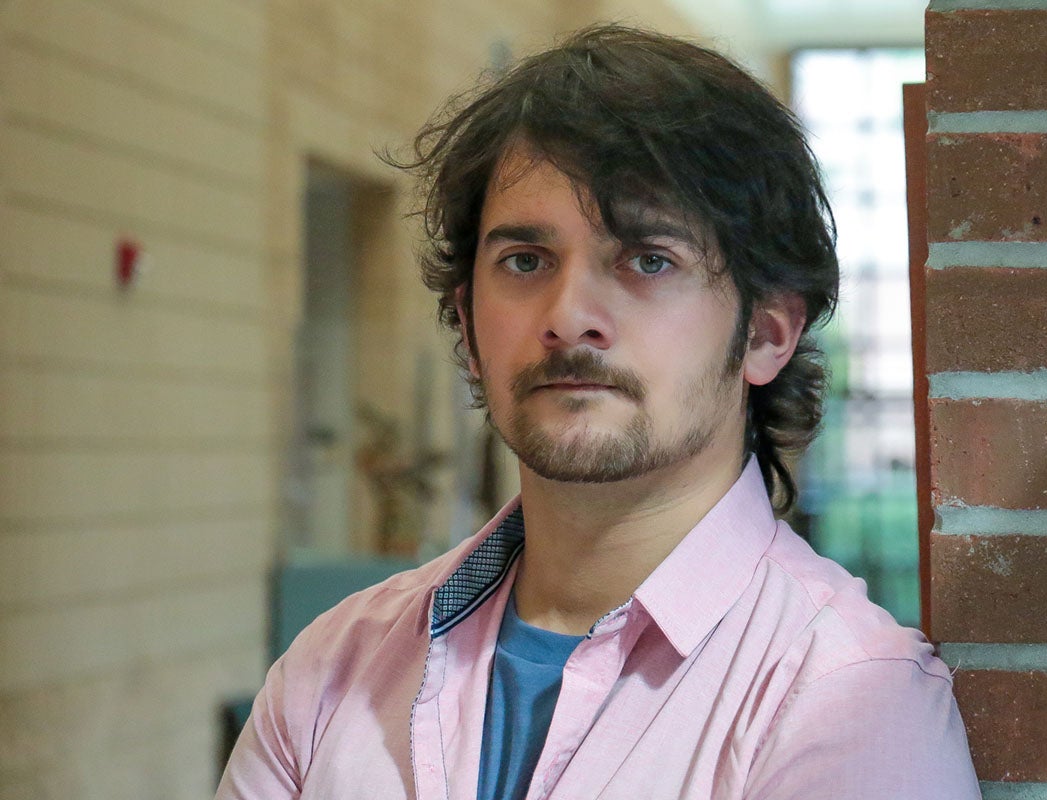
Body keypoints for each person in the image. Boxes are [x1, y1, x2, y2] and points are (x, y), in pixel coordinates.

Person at [217, 25, 980, 800]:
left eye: (649, 260)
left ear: (765, 334)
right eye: (525, 261)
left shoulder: (843, 698)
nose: (569, 315)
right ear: (469, 324)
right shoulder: (331, 670)